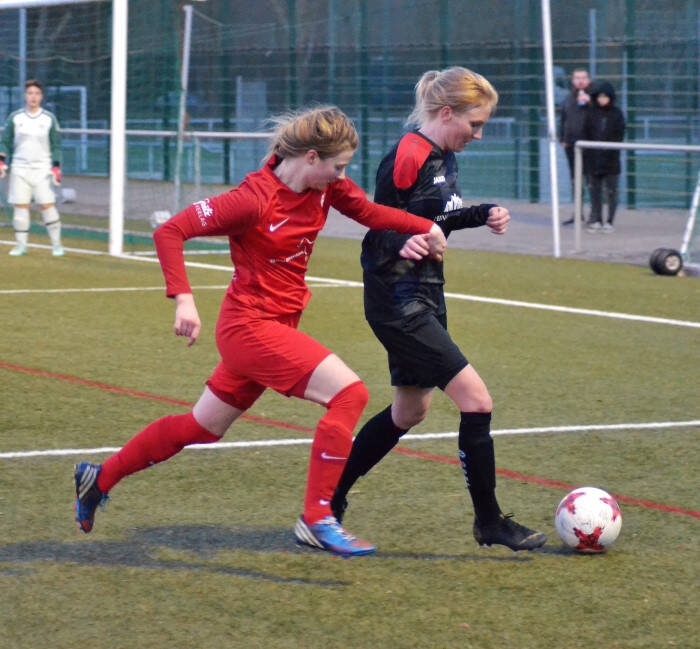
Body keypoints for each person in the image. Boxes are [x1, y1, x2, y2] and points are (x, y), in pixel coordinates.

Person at [73, 106, 447, 558]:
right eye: (338, 166)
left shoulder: (327, 188)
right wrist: (184, 299)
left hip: (274, 326)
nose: (342, 177)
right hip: (249, 328)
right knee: (350, 394)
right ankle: (317, 517)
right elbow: (170, 231)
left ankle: (100, 477)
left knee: (203, 426)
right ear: (311, 157)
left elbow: (368, 211)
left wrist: (426, 226)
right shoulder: (252, 200)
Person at [330, 67, 547, 552]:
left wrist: (482, 213)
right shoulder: (407, 155)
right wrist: (400, 241)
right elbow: (379, 224)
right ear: (446, 113)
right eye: (475, 124)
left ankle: (328, 498)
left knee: (410, 411)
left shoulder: (444, 155)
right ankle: (489, 522)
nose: (479, 134)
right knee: (477, 400)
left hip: (427, 292)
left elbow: (435, 217)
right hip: (396, 298)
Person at [0, 79, 64, 256]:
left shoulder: (49, 118)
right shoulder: (15, 118)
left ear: (41, 96)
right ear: (25, 96)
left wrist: (56, 167)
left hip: (42, 170)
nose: (33, 97)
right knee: (21, 207)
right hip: (20, 169)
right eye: (30, 93)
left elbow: (56, 145)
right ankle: (21, 245)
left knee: (47, 206)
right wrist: (1, 161)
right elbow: (5, 142)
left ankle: (57, 245)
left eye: (36, 93)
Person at [582, 81, 626, 233]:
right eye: (600, 97)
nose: (602, 99)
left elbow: (619, 134)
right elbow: (586, 132)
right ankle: (597, 219)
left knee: (611, 191)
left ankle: (610, 221)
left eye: (605, 97)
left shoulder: (617, 114)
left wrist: (609, 149)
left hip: (611, 160)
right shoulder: (591, 113)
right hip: (593, 160)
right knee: (595, 192)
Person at [559, 68, 592, 225]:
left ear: (588, 80)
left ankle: (595, 215)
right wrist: (563, 138)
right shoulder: (568, 99)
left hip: (589, 146)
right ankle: (578, 214)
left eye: (583, 78)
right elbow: (563, 119)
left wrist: (590, 103)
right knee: (575, 180)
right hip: (571, 145)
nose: (580, 81)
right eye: (577, 78)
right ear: (573, 81)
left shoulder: (594, 97)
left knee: (591, 180)